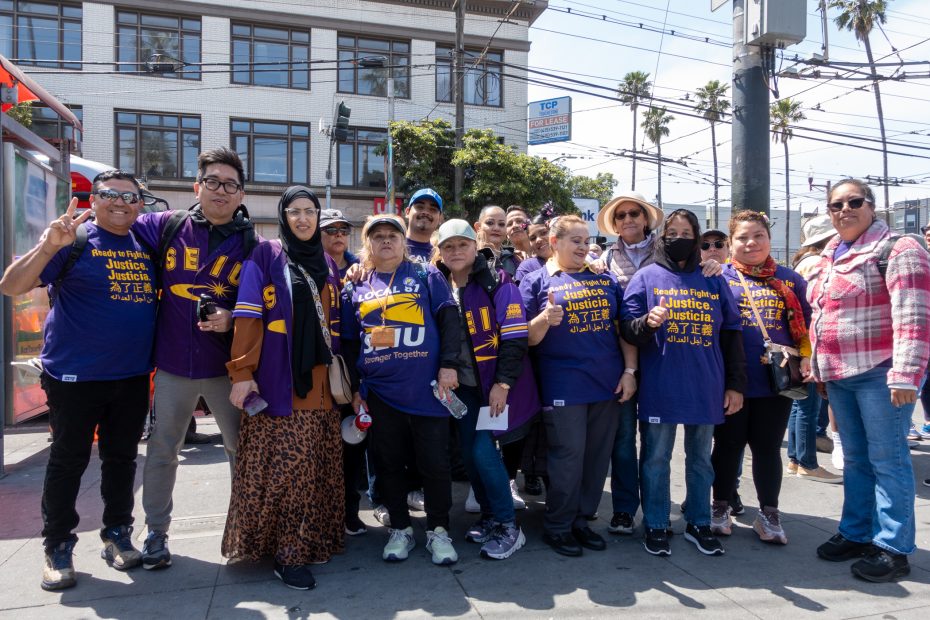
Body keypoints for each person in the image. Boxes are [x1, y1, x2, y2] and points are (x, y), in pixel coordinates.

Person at [0, 171, 157, 590]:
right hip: (74, 377)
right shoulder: (75, 240)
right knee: (68, 460)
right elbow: (10, 285)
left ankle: (117, 534)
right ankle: (57, 546)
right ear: (94, 199)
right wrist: (48, 245)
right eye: (110, 194)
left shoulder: (146, 245)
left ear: (141, 204)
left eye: (131, 196)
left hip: (132, 375)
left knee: (121, 460)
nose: (121, 202)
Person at [134, 147, 257, 570]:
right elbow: (114, 228)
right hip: (171, 365)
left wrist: (232, 317)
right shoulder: (165, 226)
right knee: (163, 450)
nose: (220, 191)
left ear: (242, 194)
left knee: (240, 450)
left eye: (230, 185)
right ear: (197, 186)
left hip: (227, 370)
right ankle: (155, 532)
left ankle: (246, 529)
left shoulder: (253, 244)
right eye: (212, 182)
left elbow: (264, 305)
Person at [807, 179, 930, 583]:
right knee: (856, 459)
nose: (844, 209)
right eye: (836, 205)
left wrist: (906, 376)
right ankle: (858, 532)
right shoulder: (832, 254)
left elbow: (914, 318)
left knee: (888, 459)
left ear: (871, 206)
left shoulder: (899, 248)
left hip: (881, 373)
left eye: (854, 201)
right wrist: (822, 372)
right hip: (840, 376)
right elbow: (824, 316)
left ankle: (893, 548)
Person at [221, 187, 343, 590]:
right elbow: (248, 315)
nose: (304, 219)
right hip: (278, 382)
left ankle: (310, 541)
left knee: (312, 472)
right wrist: (241, 372)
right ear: (283, 215)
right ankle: (287, 554)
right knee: (285, 474)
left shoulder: (327, 261)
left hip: (322, 387)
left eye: (311, 212)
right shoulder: (266, 255)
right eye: (296, 212)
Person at [621, 208, 746, 558]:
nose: (679, 238)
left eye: (687, 233)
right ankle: (658, 524)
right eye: (671, 232)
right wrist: (647, 322)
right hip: (661, 386)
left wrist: (734, 384)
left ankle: (699, 522)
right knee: (656, 458)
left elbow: (732, 333)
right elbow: (627, 329)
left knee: (701, 460)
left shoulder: (713, 278)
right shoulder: (646, 277)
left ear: (696, 238)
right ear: (662, 237)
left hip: (706, 386)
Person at [340, 214, 463, 565]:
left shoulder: (426, 274)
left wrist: (449, 364)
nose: (386, 241)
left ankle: (439, 530)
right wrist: (356, 388)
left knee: (435, 465)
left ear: (403, 240)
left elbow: (449, 319)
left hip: (429, 390)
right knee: (389, 464)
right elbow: (350, 343)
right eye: (377, 236)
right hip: (380, 393)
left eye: (392, 234)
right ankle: (401, 529)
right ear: (368, 244)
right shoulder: (356, 285)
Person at [519, 215, 637, 557]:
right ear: (554, 243)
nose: (584, 247)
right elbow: (525, 339)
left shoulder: (605, 280)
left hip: (607, 384)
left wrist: (630, 371)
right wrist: (542, 321)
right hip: (563, 385)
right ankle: (558, 525)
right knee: (567, 457)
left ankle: (581, 521)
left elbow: (623, 328)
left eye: (587, 241)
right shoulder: (538, 281)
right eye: (576, 241)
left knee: (597, 458)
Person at [434, 219, 541, 559]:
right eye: (448, 246)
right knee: (468, 456)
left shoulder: (498, 281)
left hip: (495, 387)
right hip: (462, 389)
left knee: (483, 452)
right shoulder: (437, 282)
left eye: (461, 245)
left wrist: (503, 384)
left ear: (474, 245)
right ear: (440, 251)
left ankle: (510, 526)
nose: (455, 252)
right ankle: (491, 516)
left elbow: (514, 336)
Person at [710, 211, 814, 546]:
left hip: (776, 381)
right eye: (742, 237)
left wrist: (807, 358)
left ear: (769, 238)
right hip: (731, 381)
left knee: (768, 449)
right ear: (731, 243)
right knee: (727, 446)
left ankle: (769, 514)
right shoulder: (719, 277)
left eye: (758, 235)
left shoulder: (790, 280)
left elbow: (808, 325)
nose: (750, 243)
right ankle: (721, 507)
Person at [786, 215, 843, 483]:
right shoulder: (818, 263)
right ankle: (807, 462)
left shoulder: (802, 261)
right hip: (811, 340)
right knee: (808, 405)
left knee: (800, 404)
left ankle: (797, 460)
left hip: (800, 340)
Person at [475, 205, 520, 279]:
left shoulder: (515, 259)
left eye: (501, 224)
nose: (496, 228)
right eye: (490, 223)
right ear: (478, 227)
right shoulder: (467, 257)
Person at [405, 188, 444, 263]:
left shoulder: (442, 256)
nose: (426, 212)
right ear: (407, 212)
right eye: (420, 207)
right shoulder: (392, 247)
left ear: (440, 218)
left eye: (432, 209)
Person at [320, 209, 359, 279]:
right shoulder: (310, 269)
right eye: (331, 229)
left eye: (344, 229)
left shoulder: (361, 269)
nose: (339, 234)